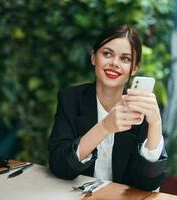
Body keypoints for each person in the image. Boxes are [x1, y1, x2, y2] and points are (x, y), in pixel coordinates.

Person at [48, 25, 168, 191]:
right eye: (107, 54)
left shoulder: (140, 107)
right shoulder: (70, 99)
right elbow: (59, 166)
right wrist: (104, 127)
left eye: (125, 59)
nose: (114, 63)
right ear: (93, 58)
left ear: (134, 68)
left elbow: (148, 184)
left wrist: (155, 124)